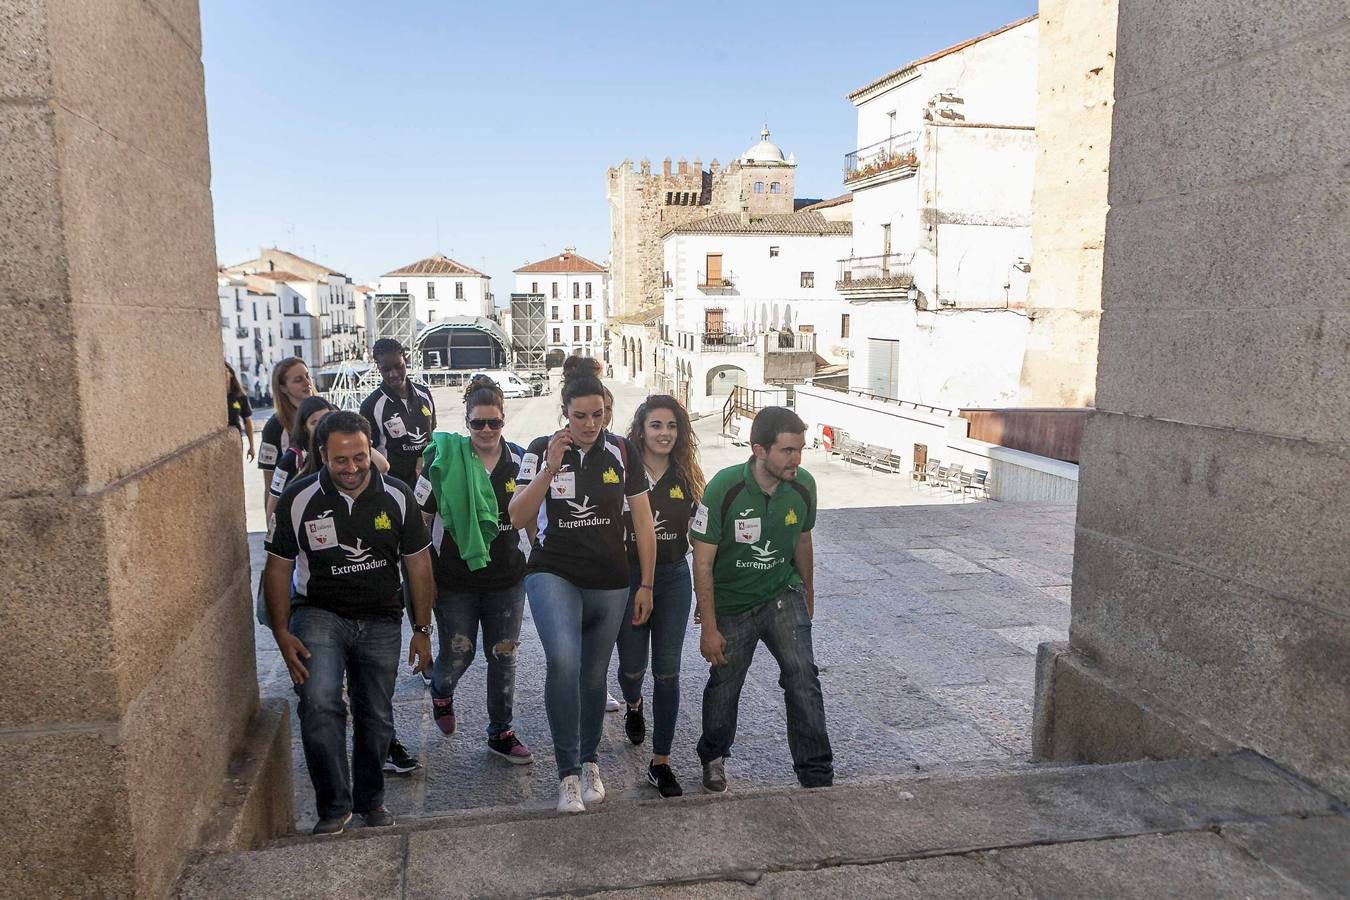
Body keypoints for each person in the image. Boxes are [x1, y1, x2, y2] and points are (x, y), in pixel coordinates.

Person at [263, 411, 436, 836]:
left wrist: (422, 628)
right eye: (341, 460)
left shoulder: (397, 496)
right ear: (323, 455)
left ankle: (370, 801)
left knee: (375, 713)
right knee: (321, 703)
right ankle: (334, 806)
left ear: (370, 451)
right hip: (319, 613)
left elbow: (418, 566)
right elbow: (278, 569)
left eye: (360, 457)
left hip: (381, 616)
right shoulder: (298, 498)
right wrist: (282, 633)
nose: (352, 468)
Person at [508, 366, 656, 813]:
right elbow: (516, 515)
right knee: (564, 661)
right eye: (580, 416)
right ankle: (567, 773)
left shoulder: (622, 451)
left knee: (594, 675)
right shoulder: (540, 449)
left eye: (598, 415)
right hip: (553, 571)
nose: (590, 424)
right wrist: (551, 467)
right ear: (565, 414)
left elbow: (644, 523)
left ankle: (589, 760)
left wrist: (645, 582)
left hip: (611, 577)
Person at [691, 406, 833, 793]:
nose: (796, 459)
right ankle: (714, 756)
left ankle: (816, 773)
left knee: (803, 675)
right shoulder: (724, 488)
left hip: (781, 594)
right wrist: (710, 626)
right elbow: (701, 563)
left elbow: (803, 539)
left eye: (800, 450)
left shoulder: (803, 485)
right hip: (732, 602)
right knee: (725, 683)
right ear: (759, 450)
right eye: (787, 451)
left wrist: (808, 591)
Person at [414, 375, 533, 763]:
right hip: (455, 580)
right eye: (478, 423)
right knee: (458, 655)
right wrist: (422, 574)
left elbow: (535, 515)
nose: (486, 430)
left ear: (503, 420)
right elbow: (420, 517)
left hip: (506, 580)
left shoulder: (518, 461)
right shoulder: (444, 461)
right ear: (466, 422)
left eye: (493, 422)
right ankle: (441, 691)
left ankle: (501, 732)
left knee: (503, 656)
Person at [616, 395, 704, 797]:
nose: (664, 433)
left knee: (667, 670)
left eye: (671, 426)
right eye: (656, 425)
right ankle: (633, 705)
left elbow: (703, 537)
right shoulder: (621, 470)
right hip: (629, 579)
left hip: (671, 578)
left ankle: (661, 762)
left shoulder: (687, 476)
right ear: (641, 429)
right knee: (633, 666)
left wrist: (706, 594)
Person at [360, 339, 436, 487]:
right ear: (378, 367)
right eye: (386, 369)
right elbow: (367, 450)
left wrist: (422, 458)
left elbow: (431, 435)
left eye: (398, 366)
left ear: (405, 360)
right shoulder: (371, 405)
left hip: (427, 483)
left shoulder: (424, 394)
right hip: (392, 485)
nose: (394, 374)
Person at [258, 357, 315, 502]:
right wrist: (271, 521)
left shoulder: (331, 413)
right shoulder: (274, 427)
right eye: (298, 380)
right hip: (294, 503)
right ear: (283, 387)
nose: (307, 383)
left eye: (307, 376)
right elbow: (270, 484)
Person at [226, 362, 256, 461]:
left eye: (225, 371)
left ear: (231, 374)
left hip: (235, 439)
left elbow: (247, 421)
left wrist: (251, 446)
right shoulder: (215, 395)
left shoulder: (239, 395)